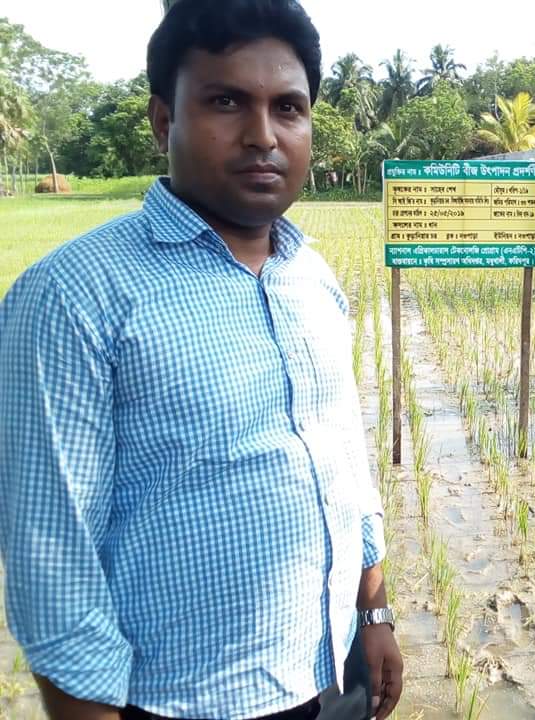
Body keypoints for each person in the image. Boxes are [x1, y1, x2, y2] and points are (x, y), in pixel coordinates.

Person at [0, 2, 403, 719]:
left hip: (331, 667)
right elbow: (53, 562)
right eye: (226, 102)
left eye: (289, 108)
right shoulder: (73, 296)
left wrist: (373, 613)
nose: (263, 136)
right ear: (163, 121)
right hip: (182, 702)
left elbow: (345, 461)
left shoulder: (312, 275)